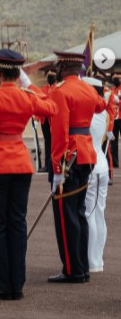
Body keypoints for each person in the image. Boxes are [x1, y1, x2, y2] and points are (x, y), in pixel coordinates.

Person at [0, 49, 57, 300]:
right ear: (18, 74)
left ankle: (3, 285)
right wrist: (29, 86)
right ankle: (17, 284)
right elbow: (51, 107)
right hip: (21, 164)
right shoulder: (27, 96)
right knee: (17, 223)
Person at [48, 51, 106, 284]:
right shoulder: (87, 89)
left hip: (69, 158)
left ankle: (72, 269)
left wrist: (57, 167)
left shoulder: (61, 92)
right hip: (87, 156)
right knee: (79, 212)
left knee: (66, 216)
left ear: (62, 67)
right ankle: (82, 266)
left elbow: (59, 132)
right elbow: (102, 105)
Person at [82, 77, 110, 273]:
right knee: (99, 213)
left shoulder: (87, 112)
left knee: (88, 214)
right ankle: (97, 259)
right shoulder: (105, 112)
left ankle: (91, 261)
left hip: (90, 165)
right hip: (102, 164)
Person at [34, 67, 57, 173]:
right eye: (48, 76)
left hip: (55, 120)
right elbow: (39, 103)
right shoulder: (42, 88)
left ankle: (55, 164)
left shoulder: (58, 88)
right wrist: (36, 118)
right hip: (45, 120)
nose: (50, 77)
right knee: (47, 143)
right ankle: (47, 165)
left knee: (55, 143)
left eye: (52, 75)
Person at [108, 70, 121, 168]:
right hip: (114, 118)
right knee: (114, 142)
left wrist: (118, 101)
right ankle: (115, 162)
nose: (117, 79)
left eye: (118, 77)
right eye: (115, 78)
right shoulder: (111, 90)